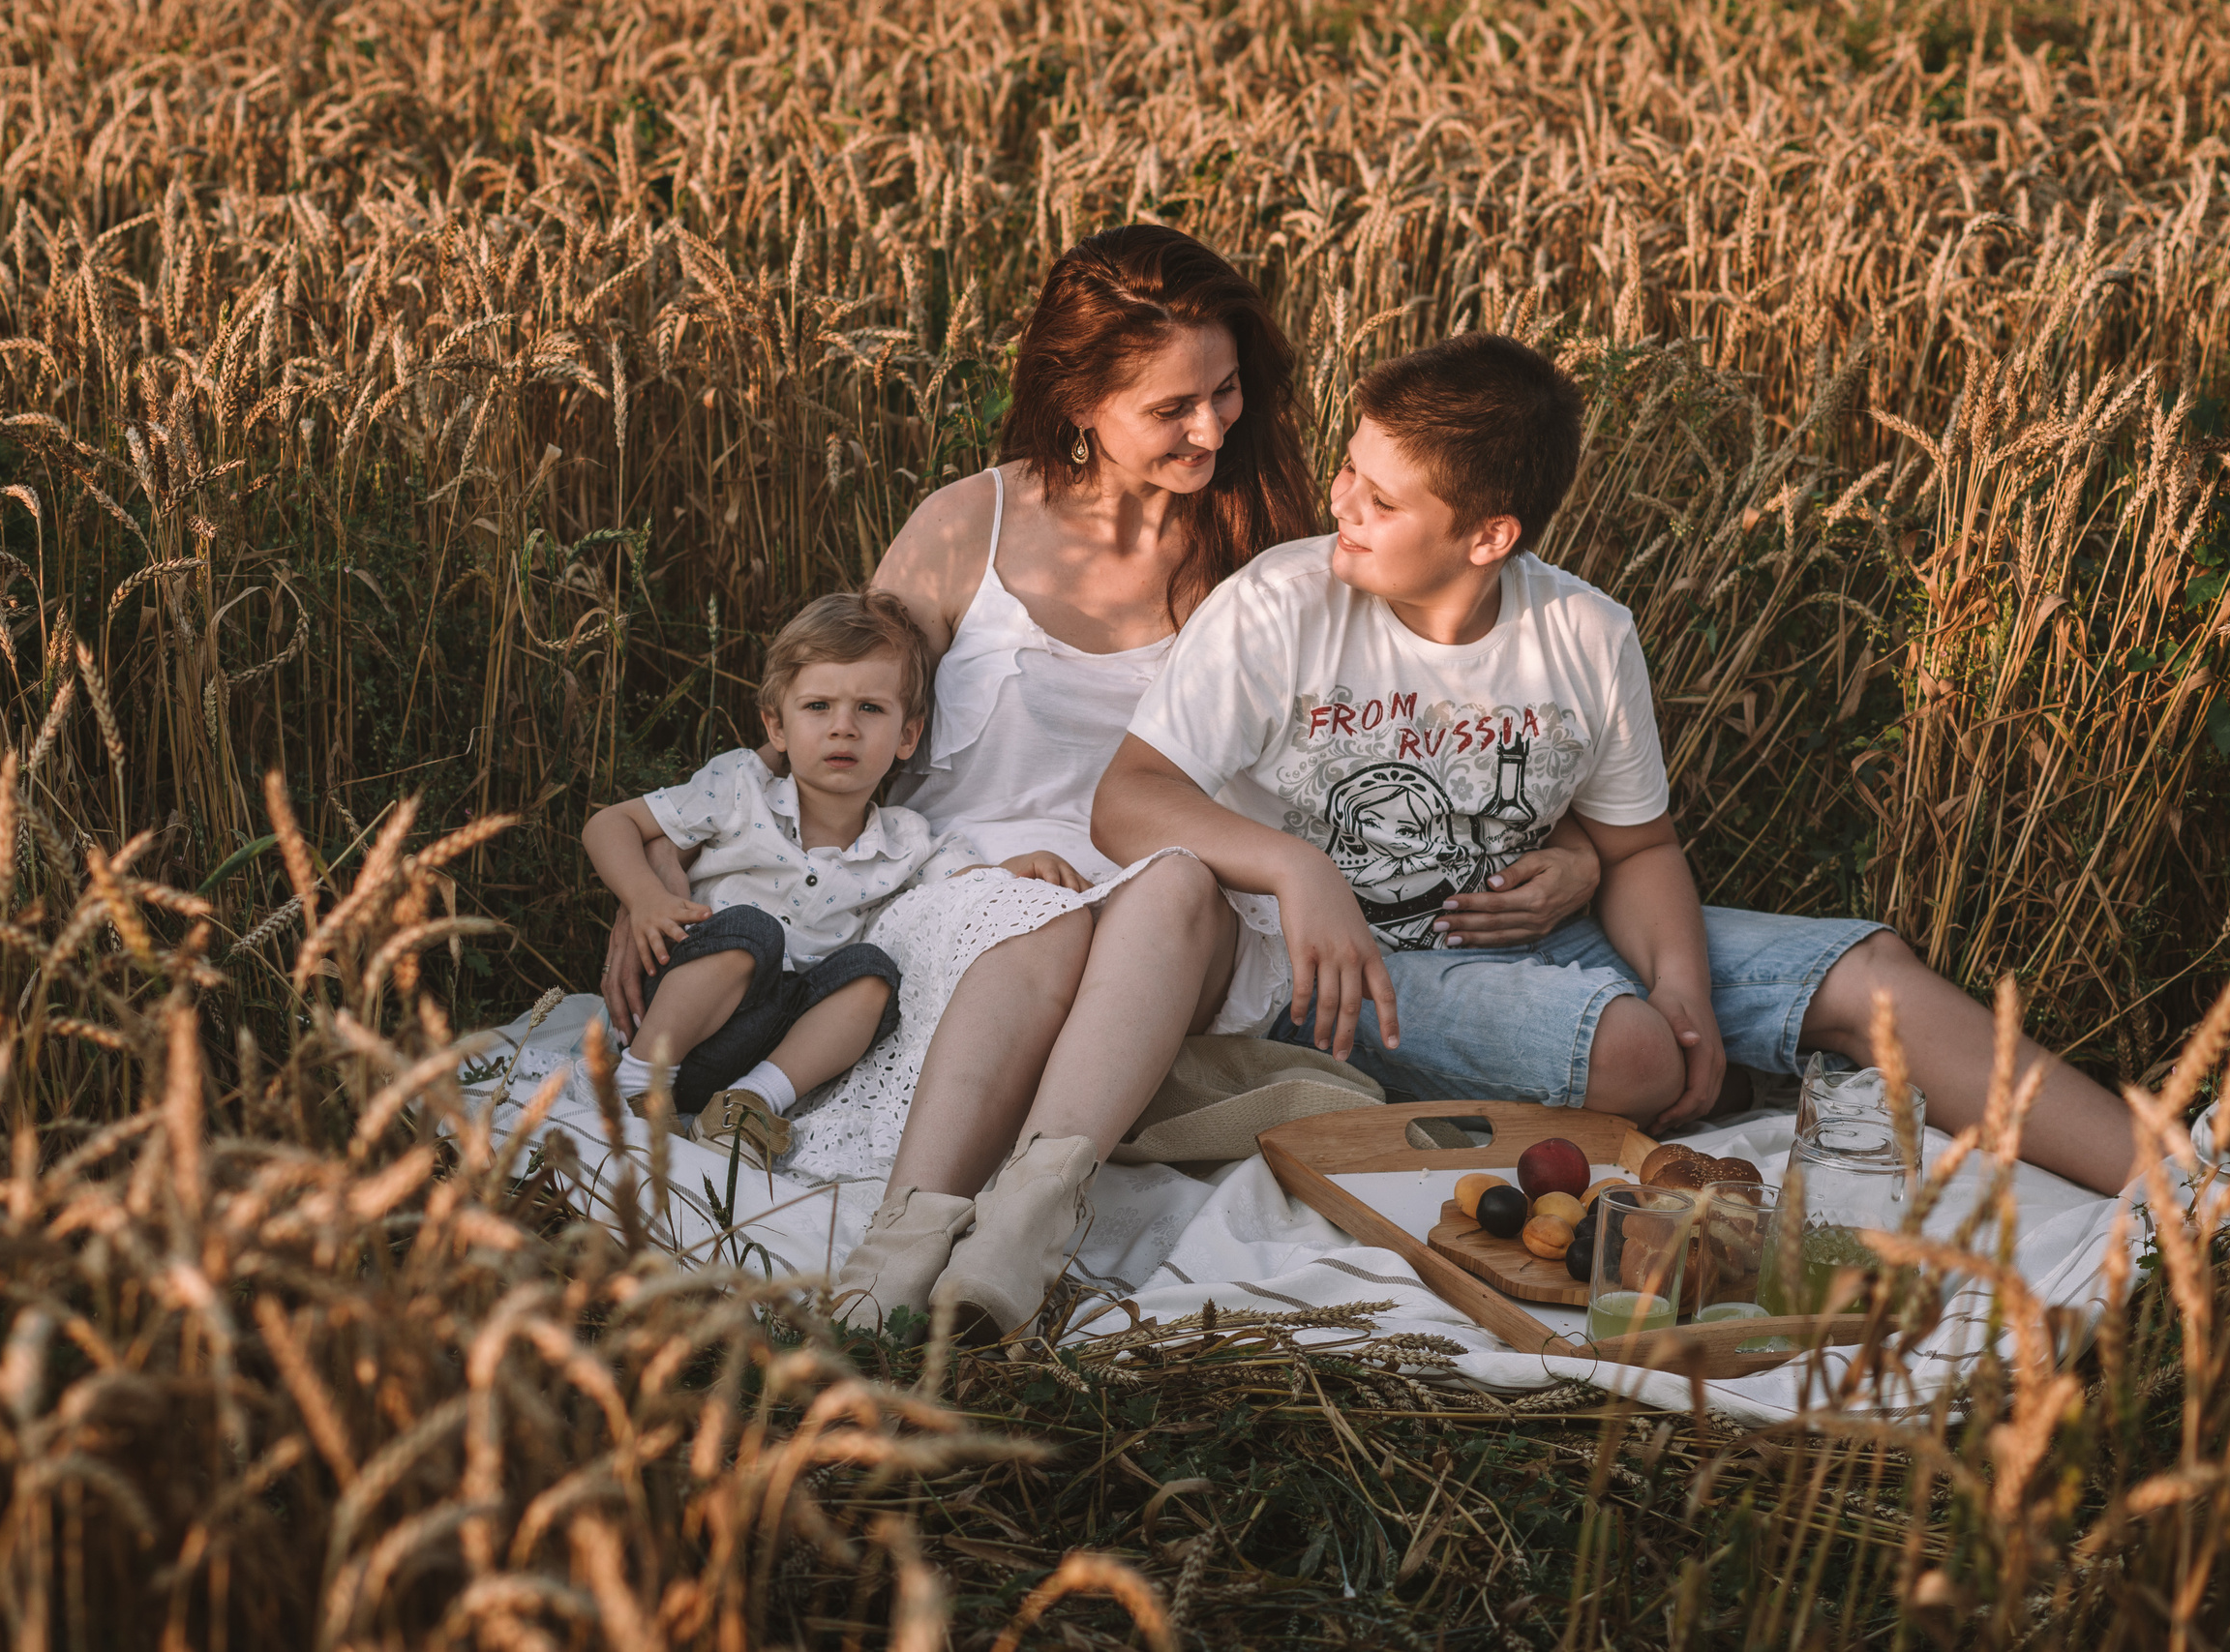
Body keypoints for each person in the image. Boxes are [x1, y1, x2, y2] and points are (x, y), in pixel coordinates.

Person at [601, 228, 1605, 1340]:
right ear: (1079, 401)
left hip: (1182, 912)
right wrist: (674, 882)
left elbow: (1413, 733)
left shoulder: (1265, 548)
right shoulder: (962, 527)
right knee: (1040, 919)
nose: (1213, 426)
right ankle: (908, 1238)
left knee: (1172, 877)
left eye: (1225, 392)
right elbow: (830, 729)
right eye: (1172, 407)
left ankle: (1025, 1227)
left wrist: (1586, 851)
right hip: (974, 893)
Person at [1091, 331, 2139, 1194]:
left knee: (1874, 979)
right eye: (1349, 472)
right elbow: (1128, 799)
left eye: (1381, 500)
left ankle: (2186, 1194)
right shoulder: (1283, 604)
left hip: (1556, 946)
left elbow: (1640, 849)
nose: (1340, 507)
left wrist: (1684, 984)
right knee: (1637, 1051)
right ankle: (1619, 1077)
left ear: (1488, 536)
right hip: (1344, 976)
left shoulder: (1584, 634)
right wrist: (1296, 868)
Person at [581, 592, 997, 1164]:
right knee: (752, 933)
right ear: (776, 726)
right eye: (818, 706)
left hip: (774, 1045)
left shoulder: (907, 840)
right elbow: (609, 824)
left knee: (874, 977)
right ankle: (637, 1084)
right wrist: (645, 898)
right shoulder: (738, 787)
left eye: (871, 709)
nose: (843, 729)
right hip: (682, 1019)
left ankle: (752, 1103)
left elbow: (974, 887)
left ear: (908, 735)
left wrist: (1026, 871)